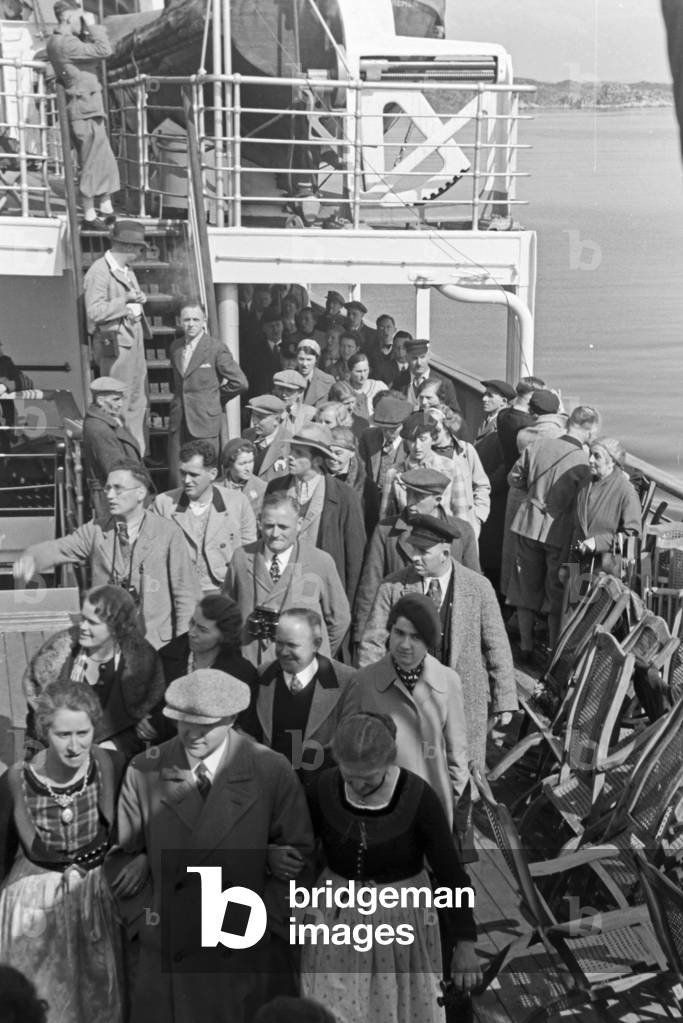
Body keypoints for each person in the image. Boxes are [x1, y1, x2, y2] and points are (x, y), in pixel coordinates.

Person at [114, 668, 315, 1023]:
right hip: (166, 956)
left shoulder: (270, 769)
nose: (192, 734)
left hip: (244, 954)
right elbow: (121, 860)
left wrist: (257, 922)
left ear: (233, 719)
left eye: (205, 726)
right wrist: (147, 923)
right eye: (182, 722)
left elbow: (299, 858)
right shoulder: (144, 770)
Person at [300, 712, 481, 1023]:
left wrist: (466, 943)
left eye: (368, 777)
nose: (357, 785)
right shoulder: (323, 788)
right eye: (349, 775)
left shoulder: (418, 797)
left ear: (388, 762)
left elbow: (452, 875)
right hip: (335, 919)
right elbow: (300, 842)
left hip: (401, 923)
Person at [0, 681, 128, 1023]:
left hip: (94, 898)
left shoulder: (112, 766)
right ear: (44, 731)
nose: (75, 746)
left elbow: (131, 832)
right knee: (41, 995)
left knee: (98, 997)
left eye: (83, 733)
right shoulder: (18, 781)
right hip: (35, 901)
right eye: (63, 735)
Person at [359, 515, 517, 773]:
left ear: (445, 551)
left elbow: (496, 644)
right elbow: (372, 643)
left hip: (463, 703)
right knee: (409, 771)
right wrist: (371, 693)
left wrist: (505, 699)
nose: (415, 557)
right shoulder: (393, 586)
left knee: (462, 774)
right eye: (413, 549)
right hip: (407, 703)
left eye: (424, 551)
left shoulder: (477, 587)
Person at [13, 461, 199, 650]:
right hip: (106, 648)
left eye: (118, 489)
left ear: (140, 493)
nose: (109, 495)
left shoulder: (168, 533)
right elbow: (59, 549)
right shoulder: (95, 530)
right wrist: (31, 558)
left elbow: (186, 597)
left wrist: (182, 649)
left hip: (155, 647)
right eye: (107, 488)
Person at [346, 595, 470, 824]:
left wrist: (454, 800)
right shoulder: (363, 681)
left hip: (432, 807)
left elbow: (457, 754)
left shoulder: (448, 681)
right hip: (380, 809)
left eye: (415, 637)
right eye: (399, 633)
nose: (405, 645)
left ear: (430, 640)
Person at [23, 584, 165, 758]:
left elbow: (149, 732)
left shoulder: (143, 668)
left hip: (118, 764)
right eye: (82, 618)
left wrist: (115, 746)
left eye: (92, 622)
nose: (82, 627)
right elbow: (35, 728)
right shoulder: (57, 663)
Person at [507, 405, 601, 657]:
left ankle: (525, 647)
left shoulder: (538, 446)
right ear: (590, 430)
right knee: (555, 594)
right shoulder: (582, 461)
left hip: (527, 524)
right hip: (558, 532)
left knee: (523, 589)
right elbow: (584, 501)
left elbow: (514, 478)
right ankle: (552, 650)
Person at [353, 467, 480, 646]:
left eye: (418, 497)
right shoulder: (386, 531)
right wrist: (361, 636)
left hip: (449, 634)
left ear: (438, 499)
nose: (410, 503)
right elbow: (370, 585)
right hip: (400, 635)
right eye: (408, 494)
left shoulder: (462, 532)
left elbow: (474, 588)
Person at [224, 493, 351, 664]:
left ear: (299, 524)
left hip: (302, 668)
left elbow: (339, 619)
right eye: (269, 526)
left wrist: (314, 654)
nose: (275, 534)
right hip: (251, 664)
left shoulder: (320, 561)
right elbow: (226, 612)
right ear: (259, 522)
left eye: (283, 527)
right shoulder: (241, 557)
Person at [239, 607, 356, 786]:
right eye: (279, 643)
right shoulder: (262, 676)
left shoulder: (346, 681)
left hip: (323, 791)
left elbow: (349, 744)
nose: (283, 652)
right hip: (272, 788)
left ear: (316, 644)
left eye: (292, 645)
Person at [265, 423, 366, 606]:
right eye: (292, 450)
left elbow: (355, 557)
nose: (290, 458)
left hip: (321, 594)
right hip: (278, 590)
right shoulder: (276, 487)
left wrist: (347, 606)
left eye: (299, 454)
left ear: (318, 461)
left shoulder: (344, 497)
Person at [46, 2, 119, 229]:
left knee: (103, 158)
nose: (83, 22)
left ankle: (105, 207)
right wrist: (93, 25)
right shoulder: (66, 44)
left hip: (86, 108)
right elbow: (105, 50)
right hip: (84, 110)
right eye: (79, 17)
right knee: (91, 162)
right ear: (68, 17)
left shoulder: (61, 42)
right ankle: (89, 214)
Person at [154, 440, 256, 593]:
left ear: (212, 474)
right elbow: (156, 553)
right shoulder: (164, 503)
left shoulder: (238, 502)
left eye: (194, 475)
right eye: (183, 473)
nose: (186, 480)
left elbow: (249, 553)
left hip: (224, 590)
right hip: (180, 591)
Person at [83, 219, 149, 453]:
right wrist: (127, 301)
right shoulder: (99, 272)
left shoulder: (126, 270)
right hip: (117, 347)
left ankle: (135, 457)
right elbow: (94, 311)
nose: (142, 252)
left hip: (133, 342)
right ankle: (123, 457)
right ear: (129, 247)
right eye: (140, 248)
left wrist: (138, 300)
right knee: (117, 403)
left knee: (136, 403)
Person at [168, 298, 248, 483]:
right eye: (186, 320)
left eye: (196, 320)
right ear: (179, 321)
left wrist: (215, 399)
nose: (190, 324)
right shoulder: (175, 347)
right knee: (179, 472)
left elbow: (240, 382)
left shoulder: (215, 348)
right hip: (179, 421)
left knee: (205, 471)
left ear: (204, 320)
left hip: (205, 421)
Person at [158, 592, 259, 694]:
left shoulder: (242, 676)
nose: (192, 633)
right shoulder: (164, 660)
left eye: (202, 630)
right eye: (192, 623)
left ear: (224, 636)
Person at [568, 437, 642, 571]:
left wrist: (598, 542)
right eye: (590, 454)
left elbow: (633, 537)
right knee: (571, 592)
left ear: (612, 461)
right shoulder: (584, 485)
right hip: (578, 565)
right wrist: (567, 565)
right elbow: (573, 529)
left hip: (605, 573)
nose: (590, 460)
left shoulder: (626, 491)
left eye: (597, 456)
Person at [475, 380, 517, 596]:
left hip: (494, 500)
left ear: (504, 401)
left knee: (493, 555)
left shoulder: (503, 427)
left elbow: (505, 465)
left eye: (491, 395)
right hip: (486, 496)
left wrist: (485, 486)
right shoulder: (488, 423)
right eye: (485, 394)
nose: (484, 398)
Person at [82, 375, 142, 519]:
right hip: (114, 497)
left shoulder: (109, 420)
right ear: (101, 401)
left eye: (122, 398)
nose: (121, 404)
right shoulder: (99, 428)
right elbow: (115, 469)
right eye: (116, 399)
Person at [358, 393, 413, 533]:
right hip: (369, 504)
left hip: (397, 507)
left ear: (404, 424)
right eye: (383, 428)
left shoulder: (411, 445)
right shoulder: (368, 436)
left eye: (394, 429)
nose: (388, 433)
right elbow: (360, 471)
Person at [393, 338, 458, 411]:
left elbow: (456, 416)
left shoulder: (444, 383)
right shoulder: (399, 383)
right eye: (414, 358)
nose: (419, 363)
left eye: (422, 357)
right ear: (407, 358)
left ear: (428, 357)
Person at [243, 393, 291, 480]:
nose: (254, 421)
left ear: (276, 420)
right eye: (253, 415)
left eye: (260, 418)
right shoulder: (247, 435)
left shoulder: (289, 443)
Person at [243, 306, 287, 399]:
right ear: (263, 329)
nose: (275, 329)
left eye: (278, 325)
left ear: (283, 326)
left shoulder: (290, 347)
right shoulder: (254, 351)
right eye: (271, 326)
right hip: (262, 398)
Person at [220, 436, 267, 514]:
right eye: (242, 464)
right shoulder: (216, 488)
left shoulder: (262, 488)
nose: (248, 468)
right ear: (230, 464)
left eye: (251, 462)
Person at [324, 426, 366, 500]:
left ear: (352, 453)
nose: (332, 457)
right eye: (328, 452)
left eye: (338, 453)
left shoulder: (365, 485)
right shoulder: (315, 476)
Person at [272, 369, 317, 433]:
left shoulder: (309, 415)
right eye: (280, 388)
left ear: (300, 392)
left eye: (289, 390)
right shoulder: (266, 411)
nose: (284, 394)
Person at [346, 352, 388, 421]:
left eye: (365, 370)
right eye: (358, 371)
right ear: (350, 371)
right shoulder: (342, 389)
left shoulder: (379, 387)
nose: (363, 375)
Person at [295, 338, 335, 407]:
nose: (304, 364)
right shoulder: (288, 378)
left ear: (316, 359)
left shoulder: (328, 381)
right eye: (301, 359)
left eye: (309, 359)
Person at [366, 313, 399, 385]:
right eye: (382, 328)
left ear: (394, 330)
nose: (385, 331)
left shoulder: (400, 351)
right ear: (377, 330)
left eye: (388, 327)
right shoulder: (369, 352)